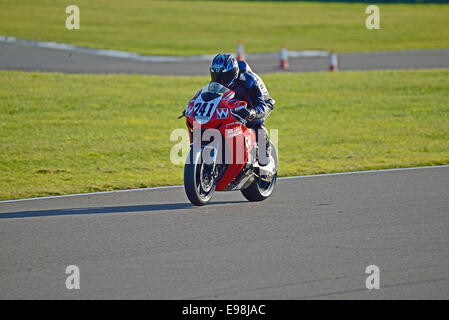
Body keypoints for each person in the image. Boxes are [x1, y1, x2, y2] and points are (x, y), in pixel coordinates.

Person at [209, 53, 275, 166]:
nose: (220, 80)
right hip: (235, 102)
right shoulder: (215, 84)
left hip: (258, 103)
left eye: (223, 76)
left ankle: (264, 149)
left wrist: (251, 113)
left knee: (255, 122)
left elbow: (262, 105)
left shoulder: (249, 81)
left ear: (233, 73)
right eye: (216, 76)